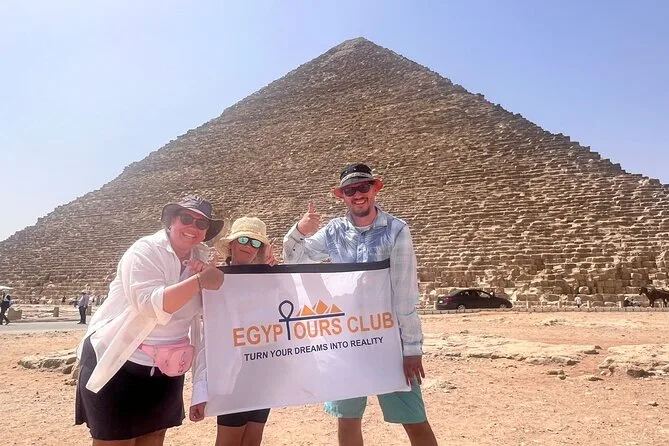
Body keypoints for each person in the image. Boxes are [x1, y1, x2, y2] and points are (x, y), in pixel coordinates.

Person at [282, 163, 438, 446]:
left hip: (388, 339)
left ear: (375, 188)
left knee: (414, 419)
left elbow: (404, 292)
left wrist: (412, 348)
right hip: (347, 339)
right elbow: (294, 259)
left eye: (363, 187)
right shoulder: (333, 231)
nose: (357, 195)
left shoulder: (397, 230)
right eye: (350, 190)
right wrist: (299, 231)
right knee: (348, 418)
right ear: (341, 195)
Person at [75, 195, 225, 445]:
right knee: (116, 441)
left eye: (201, 223)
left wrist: (263, 264)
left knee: (154, 438)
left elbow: (220, 305)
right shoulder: (144, 251)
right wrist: (199, 281)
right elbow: (149, 305)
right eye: (186, 218)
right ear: (171, 221)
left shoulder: (202, 258)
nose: (193, 227)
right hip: (121, 359)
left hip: (169, 367)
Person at [189, 216, 276, 446]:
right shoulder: (215, 280)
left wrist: (277, 277)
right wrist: (200, 390)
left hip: (263, 368)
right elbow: (209, 339)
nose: (248, 246)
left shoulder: (271, 281)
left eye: (255, 242)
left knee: (253, 437)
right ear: (232, 243)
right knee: (229, 439)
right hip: (232, 371)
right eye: (244, 239)